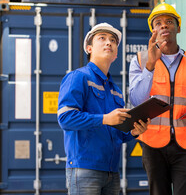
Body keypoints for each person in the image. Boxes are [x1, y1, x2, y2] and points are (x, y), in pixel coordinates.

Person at [129, 3, 186, 195]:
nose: (164, 26)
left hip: (185, 145)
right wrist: (150, 65)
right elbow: (136, 99)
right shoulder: (140, 60)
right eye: (158, 23)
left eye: (169, 22)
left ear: (178, 27)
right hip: (152, 144)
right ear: (153, 30)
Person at [57, 22, 149, 195]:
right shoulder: (78, 77)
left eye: (113, 40)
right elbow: (66, 118)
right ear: (89, 48)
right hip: (84, 169)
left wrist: (135, 132)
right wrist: (105, 118)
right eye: (102, 38)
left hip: (112, 172)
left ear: (115, 55)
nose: (109, 42)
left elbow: (118, 133)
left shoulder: (116, 91)